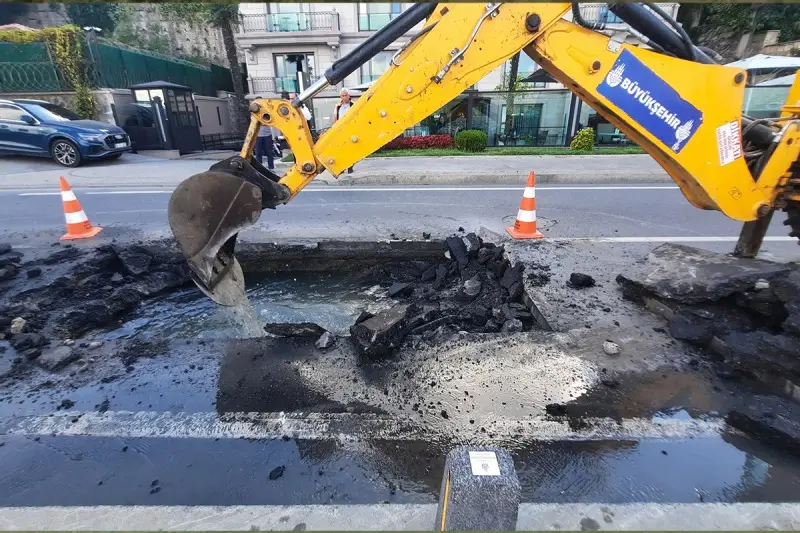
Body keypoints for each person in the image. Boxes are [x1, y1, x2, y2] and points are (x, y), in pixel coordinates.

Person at [332, 88, 354, 174]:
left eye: (346, 95)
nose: (344, 97)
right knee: (340, 149)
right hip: (340, 130)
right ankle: (342, 167)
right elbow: (335, 118)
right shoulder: (338, 106)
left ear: (349, 96)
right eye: (342, 96)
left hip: (350, 129)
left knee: (349, 148)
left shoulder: (353, 105)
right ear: (340, 97)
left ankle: (350, 166)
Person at [252, 96, 275, 170]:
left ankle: (271, 168)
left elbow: (269, 121)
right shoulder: (254, 111)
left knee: (269, 153)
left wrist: (261, 122)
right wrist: (263, 122)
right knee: (258, 153)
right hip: (258, 135)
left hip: (267, 135)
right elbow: (254, 122)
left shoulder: (266, 110)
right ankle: (259, 169)